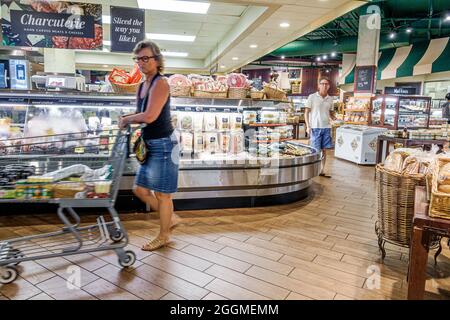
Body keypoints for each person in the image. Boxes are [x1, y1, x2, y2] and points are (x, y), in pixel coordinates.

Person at [119, 40, 180, 251]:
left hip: (164, 144)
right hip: (150, 143)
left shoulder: (161, 83)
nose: (141, 63)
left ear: (157, 60)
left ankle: (164, 235)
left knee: (163, 195)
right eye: (138, 59)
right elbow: (143, 116)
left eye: (146, 58)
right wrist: (131, 118)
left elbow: (151, 116)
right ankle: (170, 218)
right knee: (140, 189)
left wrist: (127, 119)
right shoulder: (142, 85)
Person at [304, 77, 336, 178]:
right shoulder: (312, 97)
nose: (324, 85)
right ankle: (312, 169)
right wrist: (308, 126)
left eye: (326, 84)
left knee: (324, 150)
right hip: (315, 127)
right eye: (322, 84)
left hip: (326, 127)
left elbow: (330, 113)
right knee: (314, 150)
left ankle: (321, 170)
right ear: (319, 85)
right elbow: (306, 113)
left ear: (329, 86)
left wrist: (335, 119)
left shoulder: (330, 99)